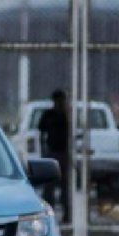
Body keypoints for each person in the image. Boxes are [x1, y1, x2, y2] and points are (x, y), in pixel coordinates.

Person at [37, 89, 72, 223]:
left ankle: (66, 215)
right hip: (53, 153)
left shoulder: (66, 115)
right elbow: (41, 132)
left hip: (62, 153)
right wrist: (44, 151)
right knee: (50, 188)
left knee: (64, 187)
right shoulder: (49, 115)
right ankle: (49, 216)